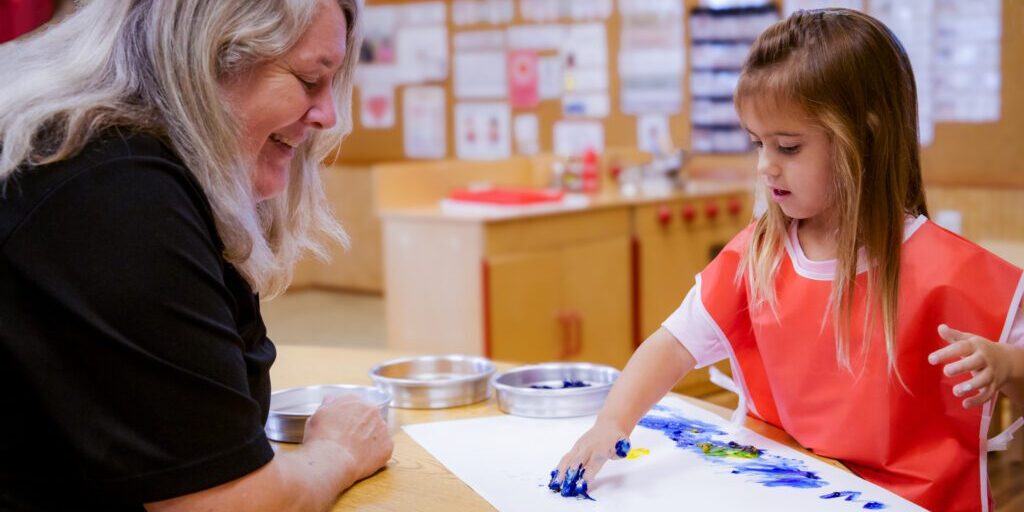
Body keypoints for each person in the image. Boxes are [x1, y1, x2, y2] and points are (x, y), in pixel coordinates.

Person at [551, 8, 1024, 511]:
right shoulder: (756, 259)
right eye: (757, 143)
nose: (764, 165)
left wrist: (1009, 365)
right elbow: (670, 347)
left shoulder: (952, 274)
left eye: (788, 147)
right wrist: (611, 423)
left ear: (864, 138)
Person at [0, 0, 392, 510]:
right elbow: (230, 503)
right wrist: (337, 452)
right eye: (308, 80)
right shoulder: (114, 192)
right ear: (207, 59)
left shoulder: (98, 162)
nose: (327, 116)